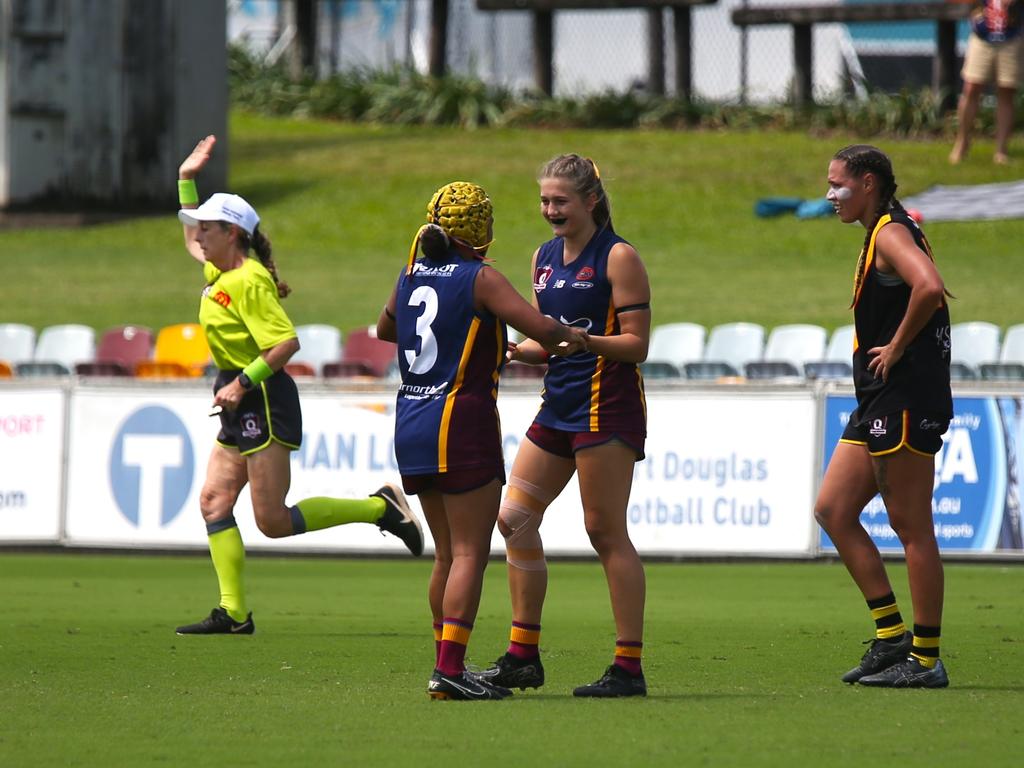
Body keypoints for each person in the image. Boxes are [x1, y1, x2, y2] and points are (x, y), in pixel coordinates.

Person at [174, 135, 423, 636]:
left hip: (261, 397)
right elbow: (186, 239)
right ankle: (235, 613)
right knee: (214, 503)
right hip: (239, 393)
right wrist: (186, 179)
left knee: (273, 521)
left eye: (206, 227)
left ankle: (381, 508)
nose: (196, 234)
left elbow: (286, 344)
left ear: (232, 233)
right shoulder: (218, 268)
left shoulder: (247, 281)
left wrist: (242, 382)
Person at [376, 181, 586, 700]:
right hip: (461, 418)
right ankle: (449, 671)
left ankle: (445, 662)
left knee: (446, 553)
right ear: (481, 230)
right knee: (470, 552)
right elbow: (542, 328)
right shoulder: (482, 277)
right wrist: (582, 337)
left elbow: (386, 329)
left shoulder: (411, 273)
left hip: (411, 419)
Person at [477, 155, 652, 698]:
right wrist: (505, 351)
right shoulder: (543, 258)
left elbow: (638, 345)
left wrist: (585, 342)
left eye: (561, 201)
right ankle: (522, 655)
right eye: (545, 201)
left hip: (606, 408)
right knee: (513, 518)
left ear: (591, 200)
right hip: (557, 408)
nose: (551, 211)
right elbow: (542, 339)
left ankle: (628, 667)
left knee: (604, 531)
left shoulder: (618, 257)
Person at [816, 144, 953, 688]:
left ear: (869, 183)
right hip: (877, 399)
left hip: (904, 398)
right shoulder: (882, 232)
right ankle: (891, 636)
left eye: (838, 184)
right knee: (833, 509)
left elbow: (931, 287)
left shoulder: (892, 232)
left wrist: (895, 348)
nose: (830, 195)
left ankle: (925, 659)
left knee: (911, 527)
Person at [949, 0, 1023, 164]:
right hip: (982, 37)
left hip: (1012, 36)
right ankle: (962, 143)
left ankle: (1001, 151)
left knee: (1006, 91)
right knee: (971, 88)